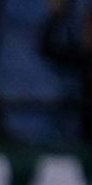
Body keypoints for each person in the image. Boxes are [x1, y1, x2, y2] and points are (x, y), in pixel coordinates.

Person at [38, 0, 92, 142]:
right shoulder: (83, 58)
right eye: (86, 26)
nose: (87, 32)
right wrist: (56, 16)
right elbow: (47, 48)